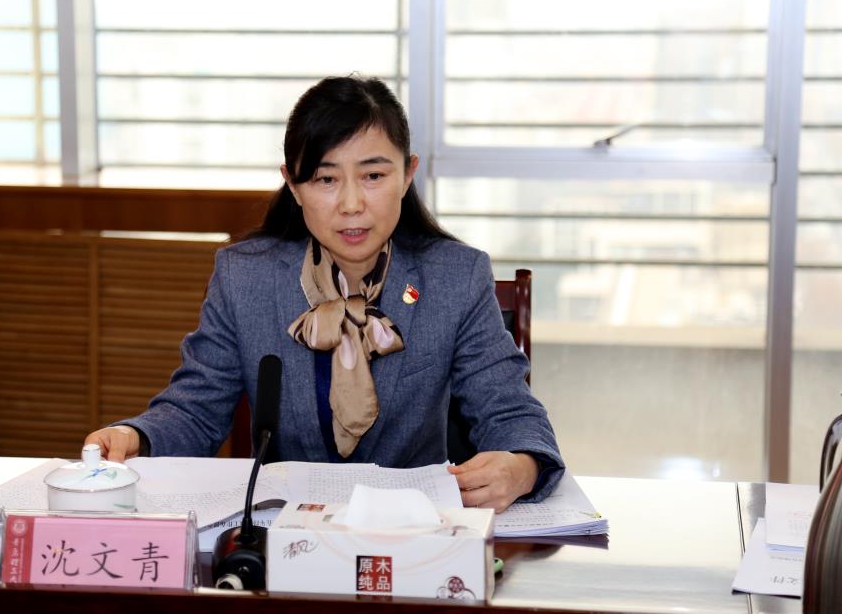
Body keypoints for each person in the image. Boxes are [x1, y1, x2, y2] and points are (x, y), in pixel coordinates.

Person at [85, 75, 564, 511]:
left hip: (413, 536)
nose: (352, 204)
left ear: (407, 174)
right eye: (325, 179)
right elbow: (196, 409)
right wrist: (134, 436)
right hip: (286, 537)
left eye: (373, 176)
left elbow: (509, 408)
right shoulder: (245, 278)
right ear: (293, 186)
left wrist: (521, 466)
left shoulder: (456, 277)